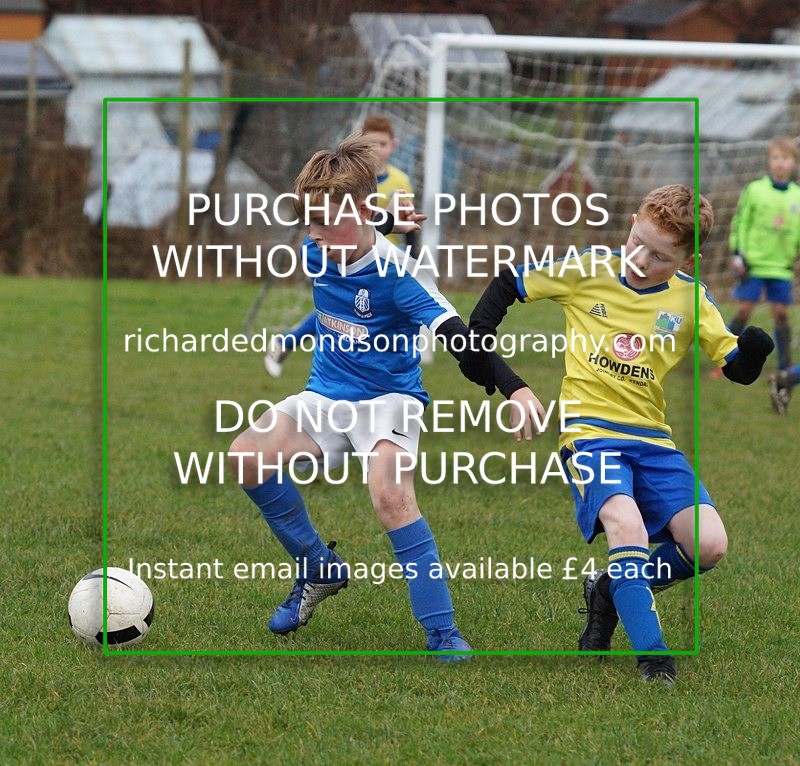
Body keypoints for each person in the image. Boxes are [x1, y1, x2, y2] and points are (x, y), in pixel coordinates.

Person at [231, 134, 540, 659]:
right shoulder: (321, 244)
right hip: (325, 395)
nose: (313, 234)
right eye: (309, 220)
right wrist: (386, 222)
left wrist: (514, 386)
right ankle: (318, 568)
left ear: (358, 211)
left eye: (324, 221)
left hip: (389, 401)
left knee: (390, 499)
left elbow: (464, 341)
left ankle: (442, 632)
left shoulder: (401, 278)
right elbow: (359, 224)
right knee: (246, 459)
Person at [459, 184, 774, 683]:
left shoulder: (691, 299)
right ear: (632, 222)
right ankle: (654, 658)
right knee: (624, 526)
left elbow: (733, 364)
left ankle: (608, 591)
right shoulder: (589, 268)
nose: (640, 260)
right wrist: (479, 337)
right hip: (588, 434)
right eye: (637, 242)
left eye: (659, 256)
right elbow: (508, 283)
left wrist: (753, 354)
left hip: (652, 440)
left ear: (687, 257)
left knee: (709, 544)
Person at [264, 113, 417, 378]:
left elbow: (404, 221)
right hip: (349, 258)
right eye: (371, 145)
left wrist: (409, 250)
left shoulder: (400, 181)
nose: (377, 151)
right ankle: (293, 346)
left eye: (382, 144)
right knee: (343, 314)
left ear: (393, 146)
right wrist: (387, 221)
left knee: (358, 316)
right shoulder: (345, 183)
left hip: (383, 263)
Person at [723, 136, 800, 399]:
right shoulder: (755, 190)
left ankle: (785, 366)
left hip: (781, 267)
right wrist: (737, 253)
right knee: (744, 309)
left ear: (793, 163)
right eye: (776, 158)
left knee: (781, 314)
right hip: (753, 263)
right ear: (769, 162)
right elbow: (741, 221)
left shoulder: (797, 196)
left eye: (786, 159)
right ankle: (725, 355)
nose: (781, 164)